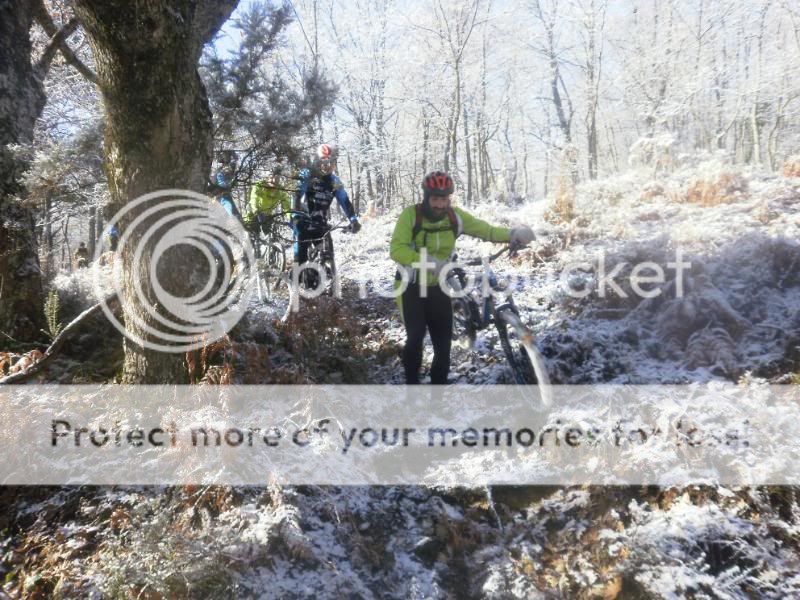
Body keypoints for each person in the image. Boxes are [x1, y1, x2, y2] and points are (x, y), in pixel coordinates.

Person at [390, 170, 535, 385]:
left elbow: (487, 230)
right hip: (410, 286)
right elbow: (397, 250)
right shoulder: (411, 216)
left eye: (444, 199)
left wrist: (513, 234)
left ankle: (437, 397)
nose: (440, 204)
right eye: (435, 199)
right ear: (426, 197)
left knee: (443, 345)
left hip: (438, 286)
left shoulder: (454, 217)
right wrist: (428, 262)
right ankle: (413, 389)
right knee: (416, 337)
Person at [292, 143, 361, 266]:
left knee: (328, 254)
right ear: (317, 161)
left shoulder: (334, 181)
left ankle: (330, 277)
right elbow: (297, 194)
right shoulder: (307, 174)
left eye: (330, 162)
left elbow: (344, 200)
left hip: (320, 222)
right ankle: (296, 279)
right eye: (322, 161)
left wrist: (353, 219)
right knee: (300, 258)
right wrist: (295, 214)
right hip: (302, 220)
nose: (326, 166)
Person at [244, 169, 291, 237]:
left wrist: (290, 217)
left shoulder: (280, 190)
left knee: (270, 236)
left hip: (267, 217)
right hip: (253, 216)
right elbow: (254, 200)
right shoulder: (259, 186)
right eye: (271, 178)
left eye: (276, 180)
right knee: (253, 235)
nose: (273, 181)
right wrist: (257, 211)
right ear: (267, 178)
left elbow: (286, 206)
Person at [210, 149, 242, 220]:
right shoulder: (222, 169)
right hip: (219, 194)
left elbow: (222, 178)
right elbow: (217, 179)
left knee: (229, 209)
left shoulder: (227, 167)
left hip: (221, 193)